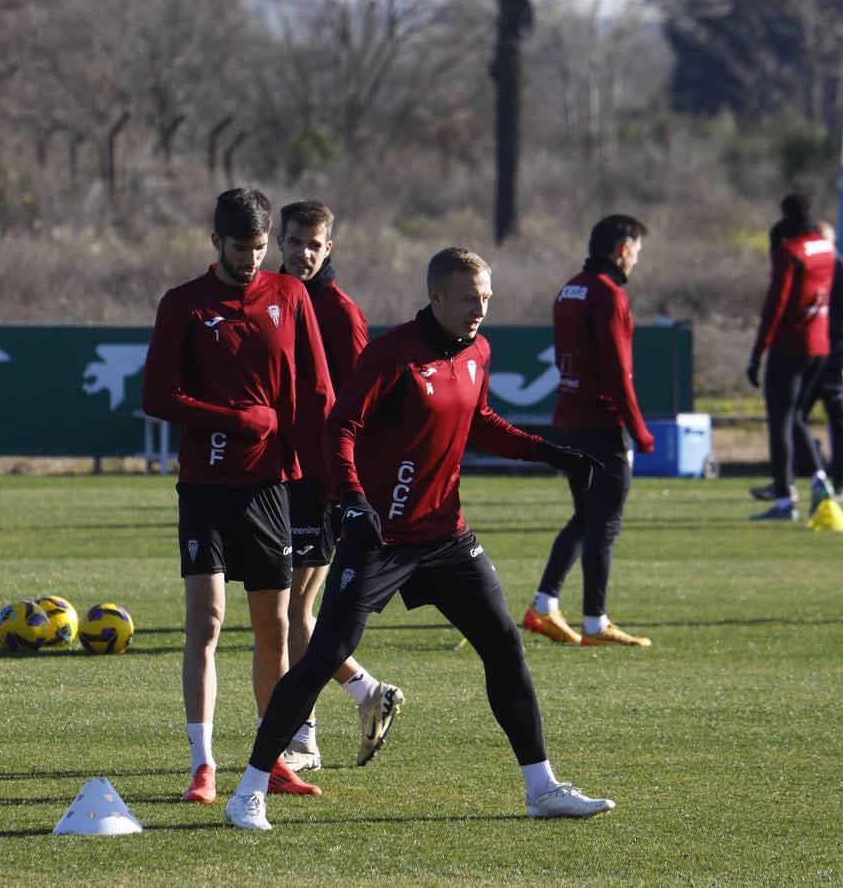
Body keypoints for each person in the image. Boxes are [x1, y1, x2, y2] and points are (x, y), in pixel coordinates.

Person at [223, 247, 615, 830]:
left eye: (485, 298)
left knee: (505, 647)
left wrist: (548, 453)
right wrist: (352, 500)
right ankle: (249, 789)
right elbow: (341, 427)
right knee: (324, 654)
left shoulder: (478, 350)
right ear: (435, 297)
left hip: (447, 536)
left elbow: (481, 420)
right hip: (378, 536)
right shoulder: (394, 354)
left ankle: (542, 788)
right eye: (467, 299)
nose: (479, 310)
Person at [141, 187, 333, 803]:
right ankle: (202, 763)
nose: (251, 261)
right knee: (207, 621)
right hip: (205, 487)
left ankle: (270, 757)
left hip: (272, 488)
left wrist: (329, 469)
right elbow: (157, 397)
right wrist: (234, 418)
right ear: (214, 240)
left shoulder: (291, 296)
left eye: (257, 248)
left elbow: (318, 391)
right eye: (239, 248)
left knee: (275, 626)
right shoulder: (183, 306)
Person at [274, 199, 403, 772]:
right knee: (283, 615)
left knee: (296, 614)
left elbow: (359, 410)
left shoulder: (339, 312)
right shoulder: (270, 298)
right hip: (271, 475)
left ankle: (304, 739)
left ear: (329, 249)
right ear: (280, 241)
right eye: (295, 242)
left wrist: (345, 487)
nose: (303, 253)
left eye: (314, 244)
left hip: (318, 480)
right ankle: (365, 691)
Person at [524, 214, 655, 648]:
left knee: (585, 517)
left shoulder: (570, 289)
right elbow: (618, 372)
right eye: (636, 250)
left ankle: (544, 605)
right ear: (622, 249)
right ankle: (596, 622)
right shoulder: (609, 295)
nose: (637, 259)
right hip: (601, 426)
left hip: (567, 420)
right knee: (605, 524)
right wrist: (640, 430)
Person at [749, 220, 843, 502]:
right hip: (809, 354)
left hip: (834, 359)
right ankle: (790, 480)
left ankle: (839, 484)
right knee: (793, 419)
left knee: (840, 420)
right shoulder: (803, 265)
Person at [747, 195, 836, 521]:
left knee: (780, 422)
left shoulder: (790, 252)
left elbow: (777, 304)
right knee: (797, 417)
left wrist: (757, 353)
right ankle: (820, 479)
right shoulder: (826, 248)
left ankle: (785, 499)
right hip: (819, 344)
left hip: (790, 345)